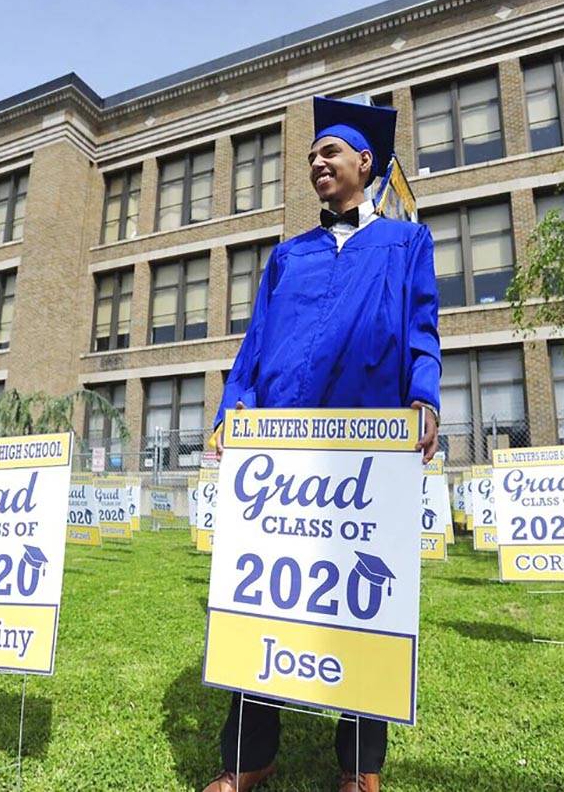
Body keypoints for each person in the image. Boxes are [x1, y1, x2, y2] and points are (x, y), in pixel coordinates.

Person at [201, 96, 441, 792]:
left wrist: (424, 395)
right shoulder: (287, 255)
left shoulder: (406, 243)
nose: (315, 163)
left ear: (365, 162)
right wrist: (232, 406)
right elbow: (254, 344)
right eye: (310, 156)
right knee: (264, 591)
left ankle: (360, 768)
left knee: (369, 596)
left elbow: (423, 328)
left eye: (328, 153)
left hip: (365, 442)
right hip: (282, 439)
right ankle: (249, 757)